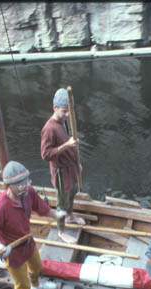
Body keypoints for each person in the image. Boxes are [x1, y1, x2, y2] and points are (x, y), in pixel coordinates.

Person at [0, 161, 65, 289]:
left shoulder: (28, 192)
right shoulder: (1, 206)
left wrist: (55, 214)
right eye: (20, 184)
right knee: (22, 287)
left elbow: (41, 208)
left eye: (26, 181)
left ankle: (37, 287)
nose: (25, 186)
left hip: (28, 242)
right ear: (9, 185)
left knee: (37, 267)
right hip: (12, 253)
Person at [40, 88, 85, 244]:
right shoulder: (49, 129)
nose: (67, 115)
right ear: (55, 108)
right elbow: (45, 155)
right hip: (60, 172)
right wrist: (66, 145)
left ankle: (70, 216)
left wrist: (77, 163)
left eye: (69, 112)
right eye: (64, 111)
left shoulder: (64, 122)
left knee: (73, 192)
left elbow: (68, 143)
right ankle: (61, 230)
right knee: (62, 202)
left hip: (70, 167)